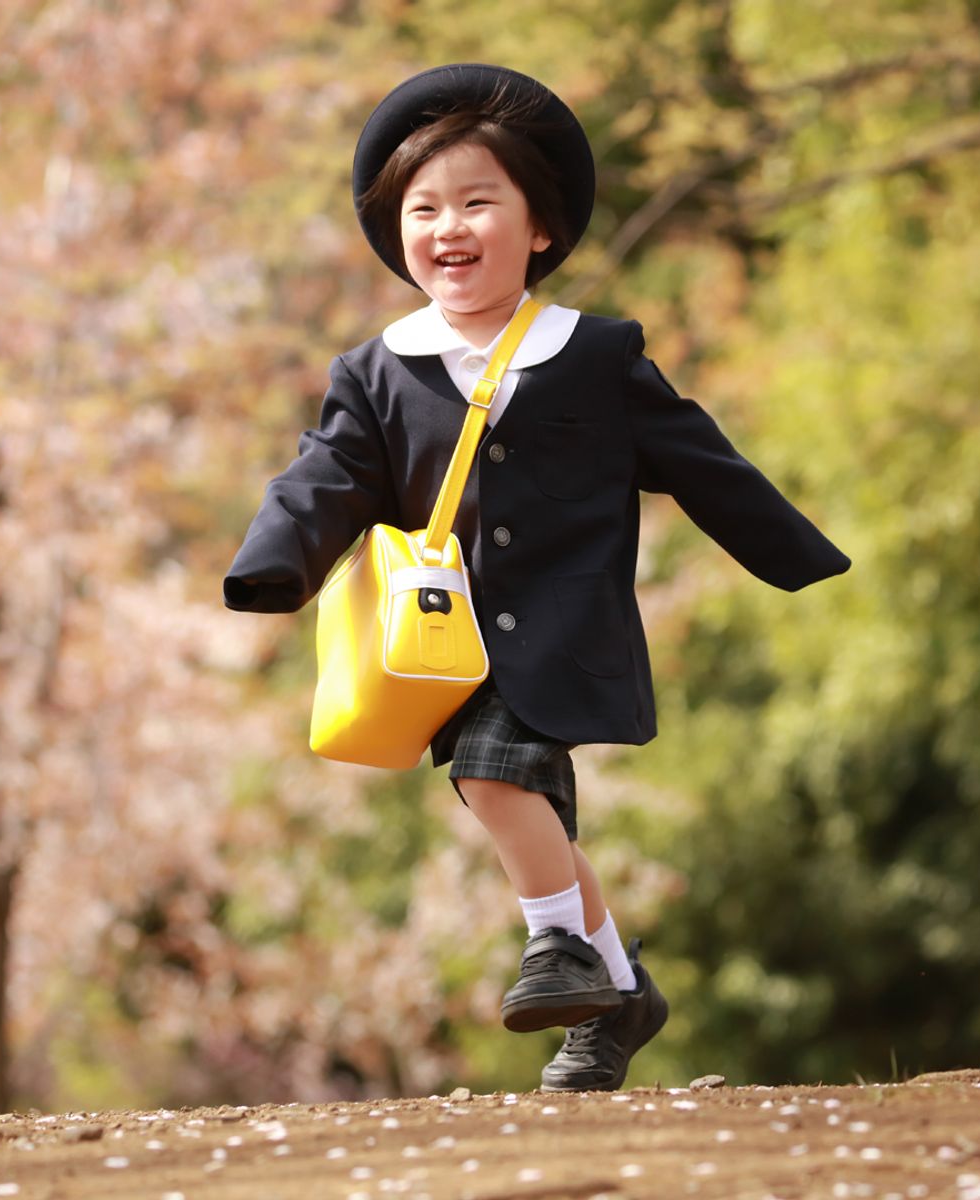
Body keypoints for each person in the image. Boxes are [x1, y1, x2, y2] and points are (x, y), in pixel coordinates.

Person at [224, 63, 850, 1092]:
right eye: (424, 209)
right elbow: (324, 477)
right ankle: (619, 996)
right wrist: (269, 568)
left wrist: (792, 551)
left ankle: (556, 946)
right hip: (440, 639)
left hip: (564, 622)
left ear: (541, 228)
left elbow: (702, 461)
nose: (449, 226)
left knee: (492, 773)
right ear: (398, 236)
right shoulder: (378, 371)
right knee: (528, 810)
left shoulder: (596, 357)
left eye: (478, 202)